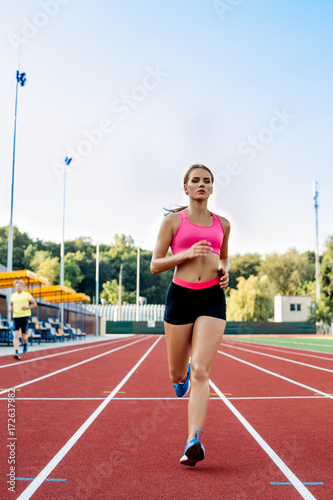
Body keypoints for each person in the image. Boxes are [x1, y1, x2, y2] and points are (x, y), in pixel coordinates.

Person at [151, 164, 230, 466]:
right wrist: (186, 254)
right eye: (195, 180)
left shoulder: (223, 224)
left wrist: (225, 273)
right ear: (185, 187)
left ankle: (192, 440)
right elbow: (155, 264)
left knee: (200, 370)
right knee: (179, 374)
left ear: (212, 188)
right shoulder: (173, 221)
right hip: (180, 298)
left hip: (212, 298)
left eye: (207, 181)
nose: (201, 184)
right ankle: (179, 373)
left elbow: (223, 256)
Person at [9, 279, 37, 360]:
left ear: (22, 287)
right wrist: (10, 309)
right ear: (15, 287)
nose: (18, 287)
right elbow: (10, 304)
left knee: (23, 336)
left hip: (25, 317)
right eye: (17, 286)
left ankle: (25, 343)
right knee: (16, 335)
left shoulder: (27, 294)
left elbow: (35, 304)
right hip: (15, 317)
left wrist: (27, 307)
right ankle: (16, 352)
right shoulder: (13, 295)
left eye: (20, 286)